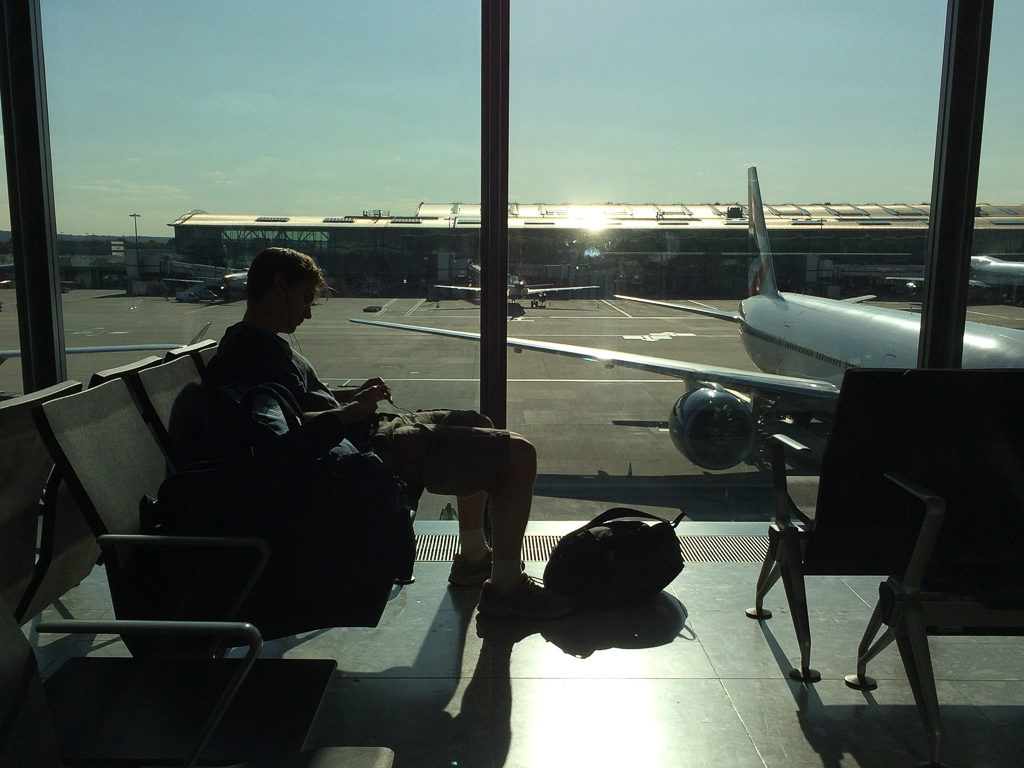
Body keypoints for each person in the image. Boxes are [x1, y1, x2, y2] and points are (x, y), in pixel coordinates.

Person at [204, 246, 574, 619]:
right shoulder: (248, 351)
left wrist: (353, 397)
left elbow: (295, 403)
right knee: (520, 455)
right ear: (279, 285)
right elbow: (283, 435)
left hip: (360, 435)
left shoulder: (260, 345)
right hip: (357, 452)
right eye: (304, 299)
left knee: (478, 423)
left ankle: (474, 558)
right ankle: (507, 589)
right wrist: (352, 411)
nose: (307, 312)